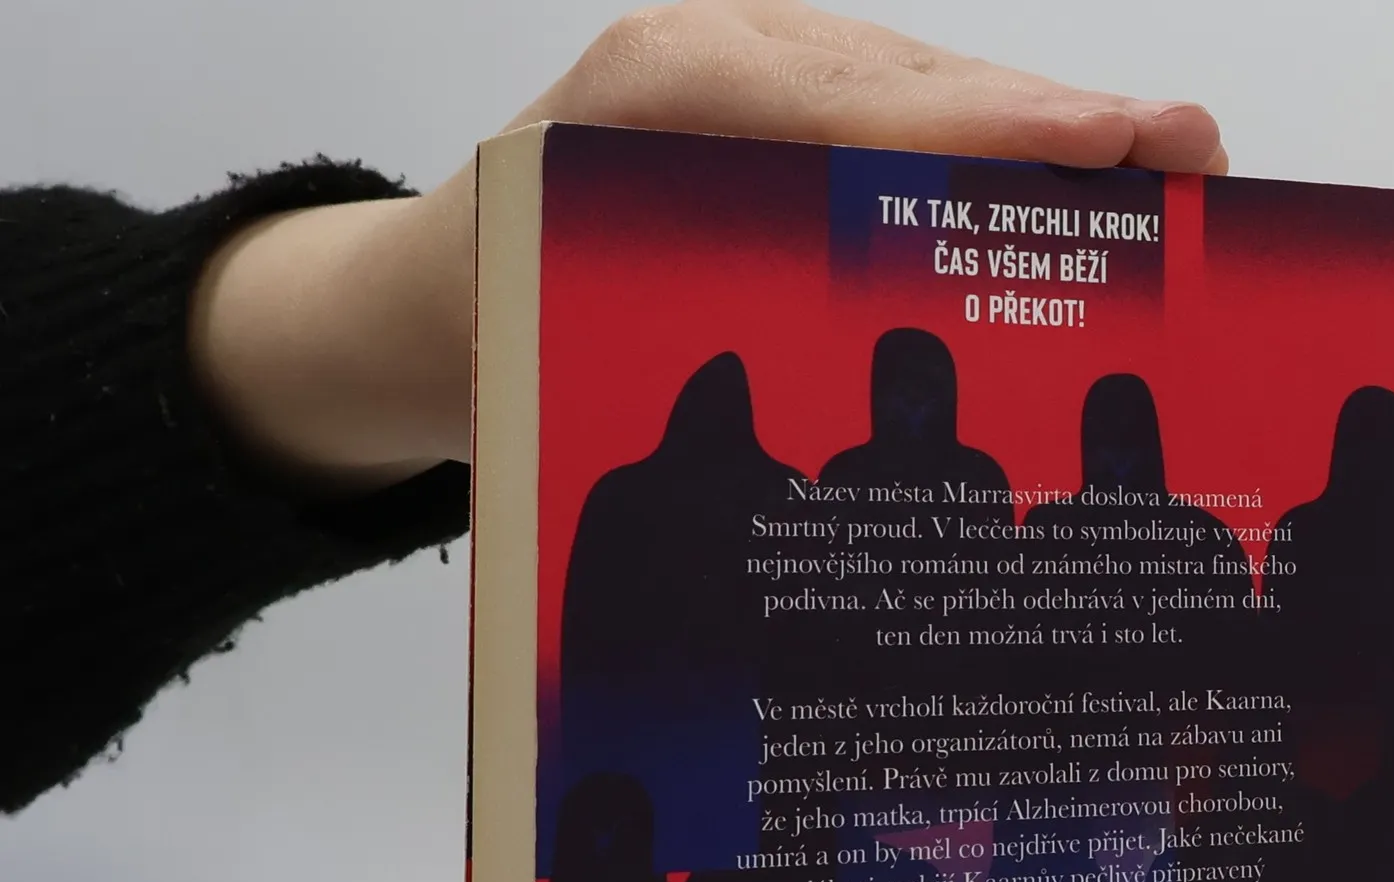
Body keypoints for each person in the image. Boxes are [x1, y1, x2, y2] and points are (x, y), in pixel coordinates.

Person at [0, 0, 1227, 815]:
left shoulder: (960, 494)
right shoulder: (823, 490)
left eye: (927, 390)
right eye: (898, 388)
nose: (913, 412)